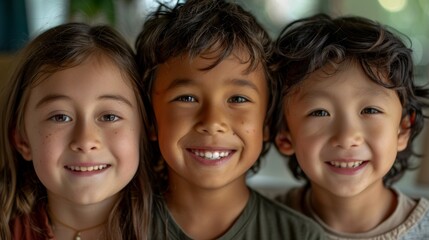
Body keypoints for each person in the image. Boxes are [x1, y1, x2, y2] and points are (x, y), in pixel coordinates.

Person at [135, 0, 326, 239]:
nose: (213, 121)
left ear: (266, 122)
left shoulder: (301, 236)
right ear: (151, 119)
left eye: (237, 99)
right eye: (186, 98)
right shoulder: (117, 228)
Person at [273, 13, 429, 239]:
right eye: (319, 112)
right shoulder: (262, 226)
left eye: (370, 110)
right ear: (284, 136)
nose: (346, 137)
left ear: (403, 130)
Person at [0, 22, 153, 240]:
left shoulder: (171, 227)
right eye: (60, 117)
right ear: (21, 139)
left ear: (144, 130)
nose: (85, 140)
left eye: (109, 117)